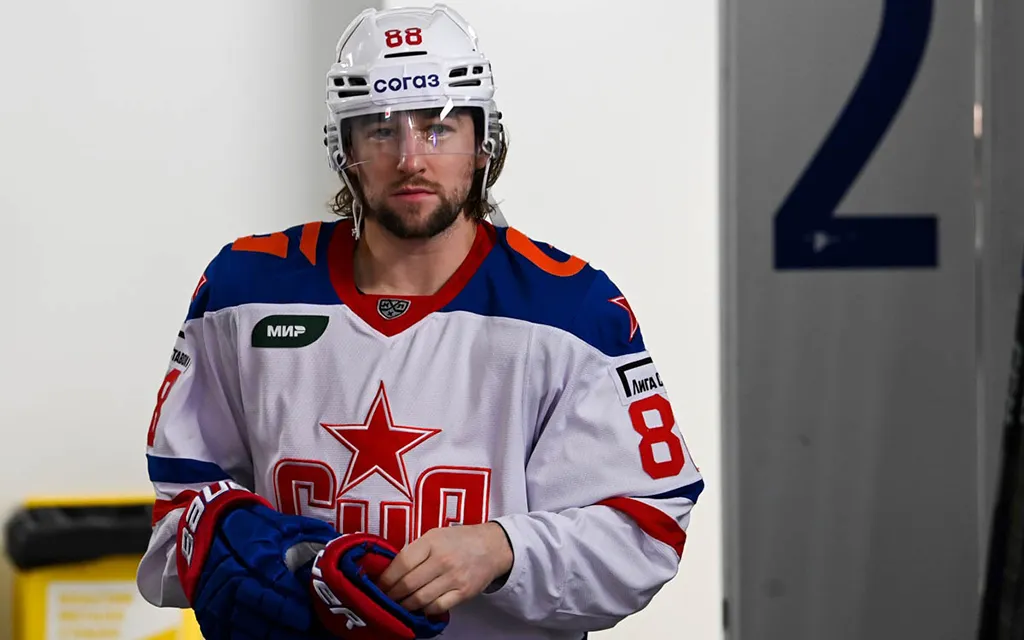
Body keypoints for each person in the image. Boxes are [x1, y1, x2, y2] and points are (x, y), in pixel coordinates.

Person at [136, 4, 704, 639]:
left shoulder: (572, 309)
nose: (410, 158)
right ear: (344, 149)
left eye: (438, 127)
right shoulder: (244, 292)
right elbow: (174, 519)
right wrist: (229, 545)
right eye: (381, 129)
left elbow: (649, 532)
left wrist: (503, 550)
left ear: (483, 141)